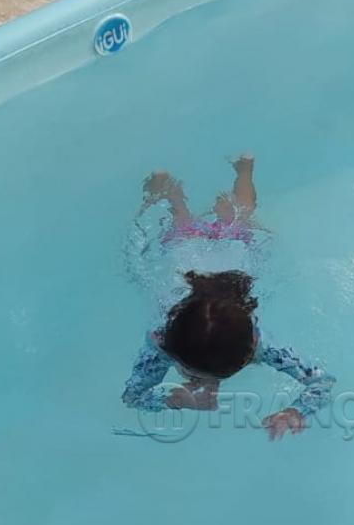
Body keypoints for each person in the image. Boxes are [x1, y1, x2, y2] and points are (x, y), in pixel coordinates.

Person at [122, 157, 332, 440]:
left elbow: (134, 396)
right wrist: (181, 400)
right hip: (192, 249)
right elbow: (321, 383)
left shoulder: (161, 342)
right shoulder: (161, 341)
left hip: (222, 251)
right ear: (253, 344)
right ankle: (238, 170)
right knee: (207, 214)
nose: (202, 381)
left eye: (191, 375)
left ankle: (238, 168)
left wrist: (178, 399)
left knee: (237, 214)